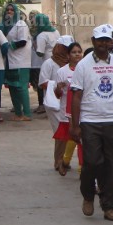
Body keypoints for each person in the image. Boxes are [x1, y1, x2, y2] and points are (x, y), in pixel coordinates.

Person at [70, 24, 113, 221]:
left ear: (111, 42)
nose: (103, 44)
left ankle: (109, 205)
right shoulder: (83, 65)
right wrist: (75, 125)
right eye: (100, 40)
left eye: (107, 40)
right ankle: (88, 194)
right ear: (93, 41)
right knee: (92, 162)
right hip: (90, 120)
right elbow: (76, 96)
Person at [38, 36, 73, 172]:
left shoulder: (72, 63)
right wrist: (56, 85)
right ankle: (59, 161)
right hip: (55, 103)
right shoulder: (49, 63)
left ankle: (64, 159)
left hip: (68, 101)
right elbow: (42, 82)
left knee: (68, 132)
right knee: (61, 132)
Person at [53, 41, 83, 174]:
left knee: (78, 139)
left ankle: (72, 162)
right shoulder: (62, 71)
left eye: (79, 52)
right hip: (66, 110)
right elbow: (57, 94)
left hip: (81, 112)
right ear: (68, 55)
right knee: (62, 139)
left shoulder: (84, 69)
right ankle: (59, 162)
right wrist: (58, 88)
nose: (77, 55)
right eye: (74, 52)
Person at [0, 3, 32, 122]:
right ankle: (18, 113)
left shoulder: (20, 24)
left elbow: (23, 41)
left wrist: (9, 45)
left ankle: (27, 114)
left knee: (21, 88)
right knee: (12, 87)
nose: (9, 12)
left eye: (11, 10)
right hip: (10, 60)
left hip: (21, 61)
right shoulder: (5, 26)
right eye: (7, 10)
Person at [30, 13, 59, 114]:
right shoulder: (56, 32)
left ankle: (44, 105)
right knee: (55, 83)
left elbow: (40, 52)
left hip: (46, 62)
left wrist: (34, 46)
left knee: (44, 85)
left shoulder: (41, 35)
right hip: (57, 61)